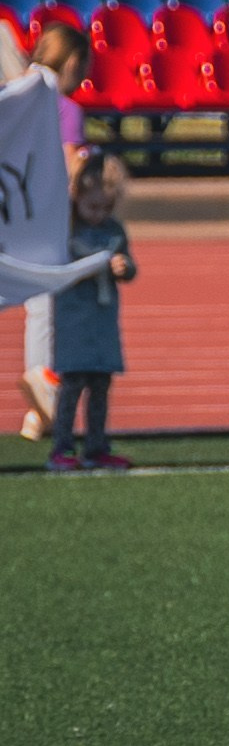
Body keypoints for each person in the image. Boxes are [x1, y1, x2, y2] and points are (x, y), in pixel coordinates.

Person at [15, 24, 91, 442]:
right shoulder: (63, 107)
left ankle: (36, 418)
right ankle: (40, 382)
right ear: (74, 61)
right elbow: (69, 168)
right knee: (43, 309)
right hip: (40, 218)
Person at [46, 149, 136, 472]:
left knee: (100, 385)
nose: (98, 214)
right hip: (74, 321)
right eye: (91, 206)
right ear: (76, 196)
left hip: (102, 322)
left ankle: (96, 447)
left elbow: (130, 269)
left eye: (105, 208)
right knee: (72, 385)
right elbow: (54, 266)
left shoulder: (114, 231)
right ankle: (62, 447)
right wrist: (85, 267)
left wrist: (123, 267)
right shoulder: (66, 230)